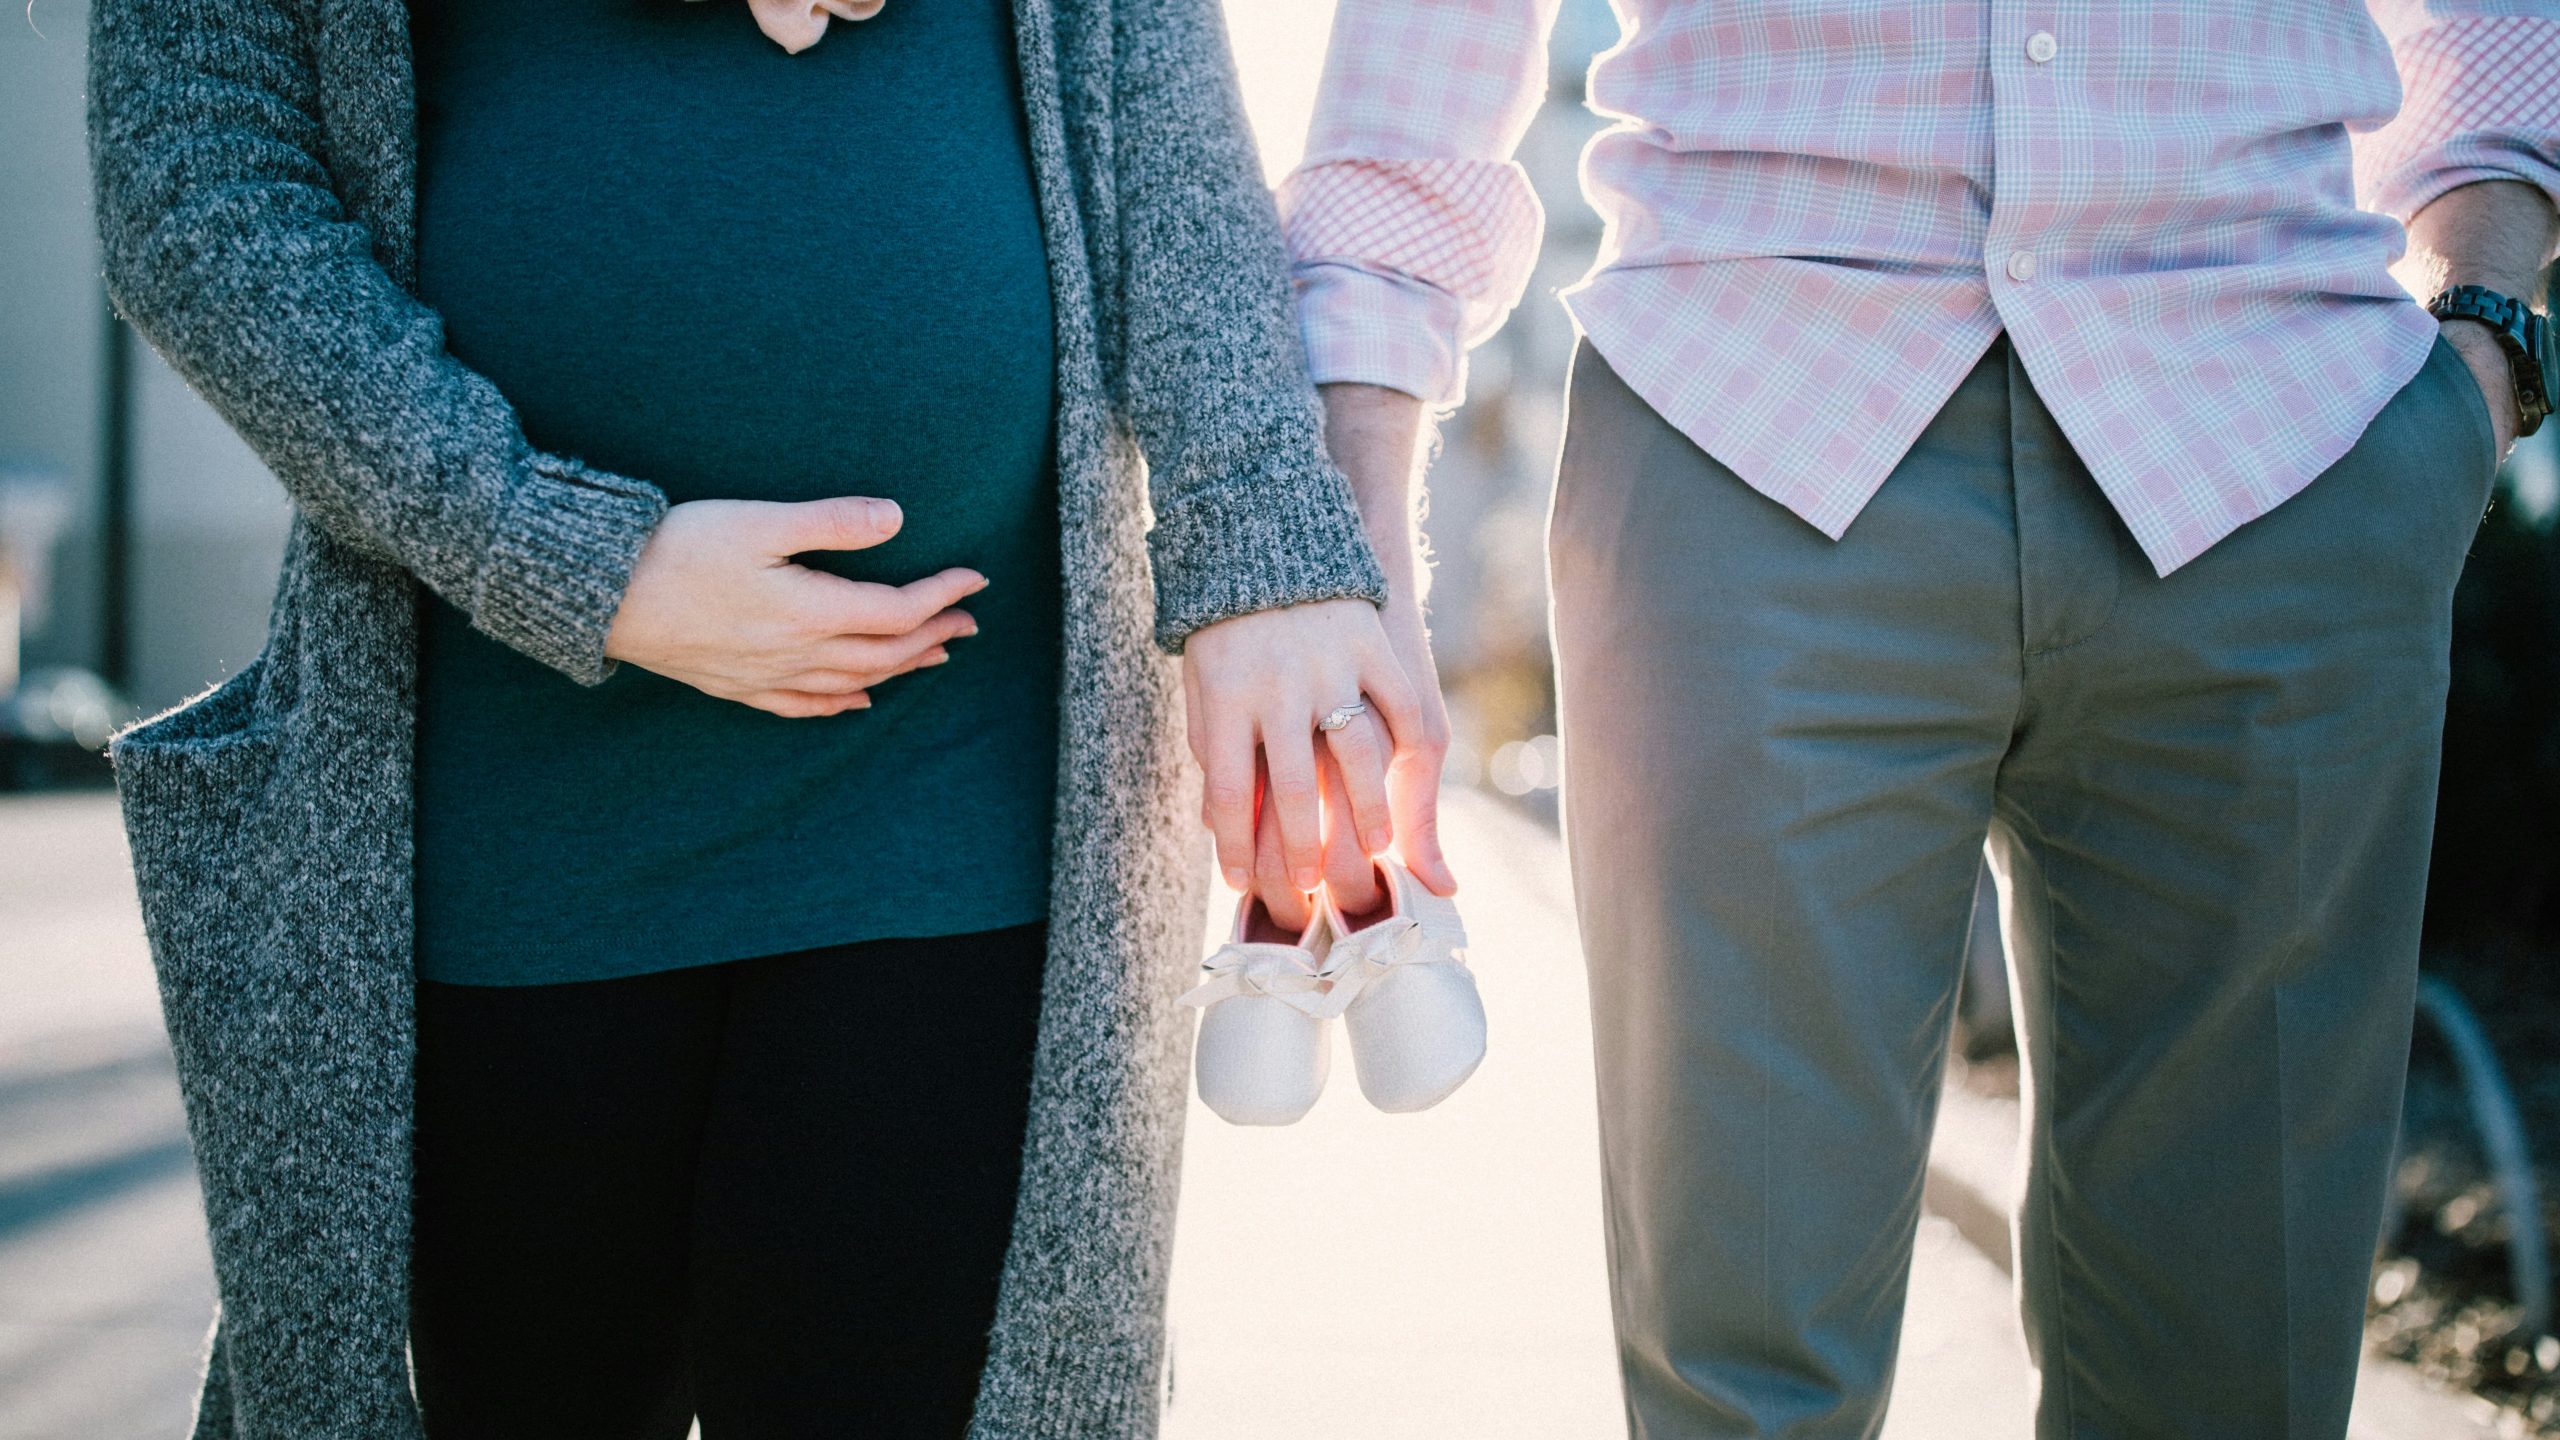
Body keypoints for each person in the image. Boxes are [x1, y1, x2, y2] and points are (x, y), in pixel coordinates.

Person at [85, 0, 1439, 1433]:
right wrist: (560, 553)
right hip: (496, 823)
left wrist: (1264, 541)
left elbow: (1150, 76)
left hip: (954, 792)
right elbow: (197, 177)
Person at [1281, 1, 2559, 1434]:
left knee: (2231, 1390)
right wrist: (1350, 495)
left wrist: (2486, 326)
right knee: (1742, 1392)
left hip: (2282, 441)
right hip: (1751, 420)